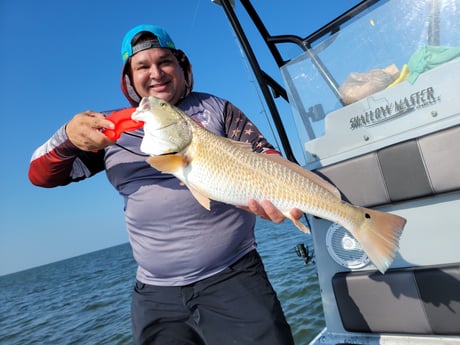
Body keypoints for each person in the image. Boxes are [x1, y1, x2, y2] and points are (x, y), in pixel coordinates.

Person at [29, 24, 302, 345]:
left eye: (165, 62)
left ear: (183, 68)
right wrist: (67, 136)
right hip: (155, 295)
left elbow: (269, 160)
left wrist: (289, 195)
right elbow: (42, 176)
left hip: (234, 276)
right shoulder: (108, 129)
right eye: (142, 66)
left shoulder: (218, 109)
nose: (156, 73)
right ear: (129, 79)